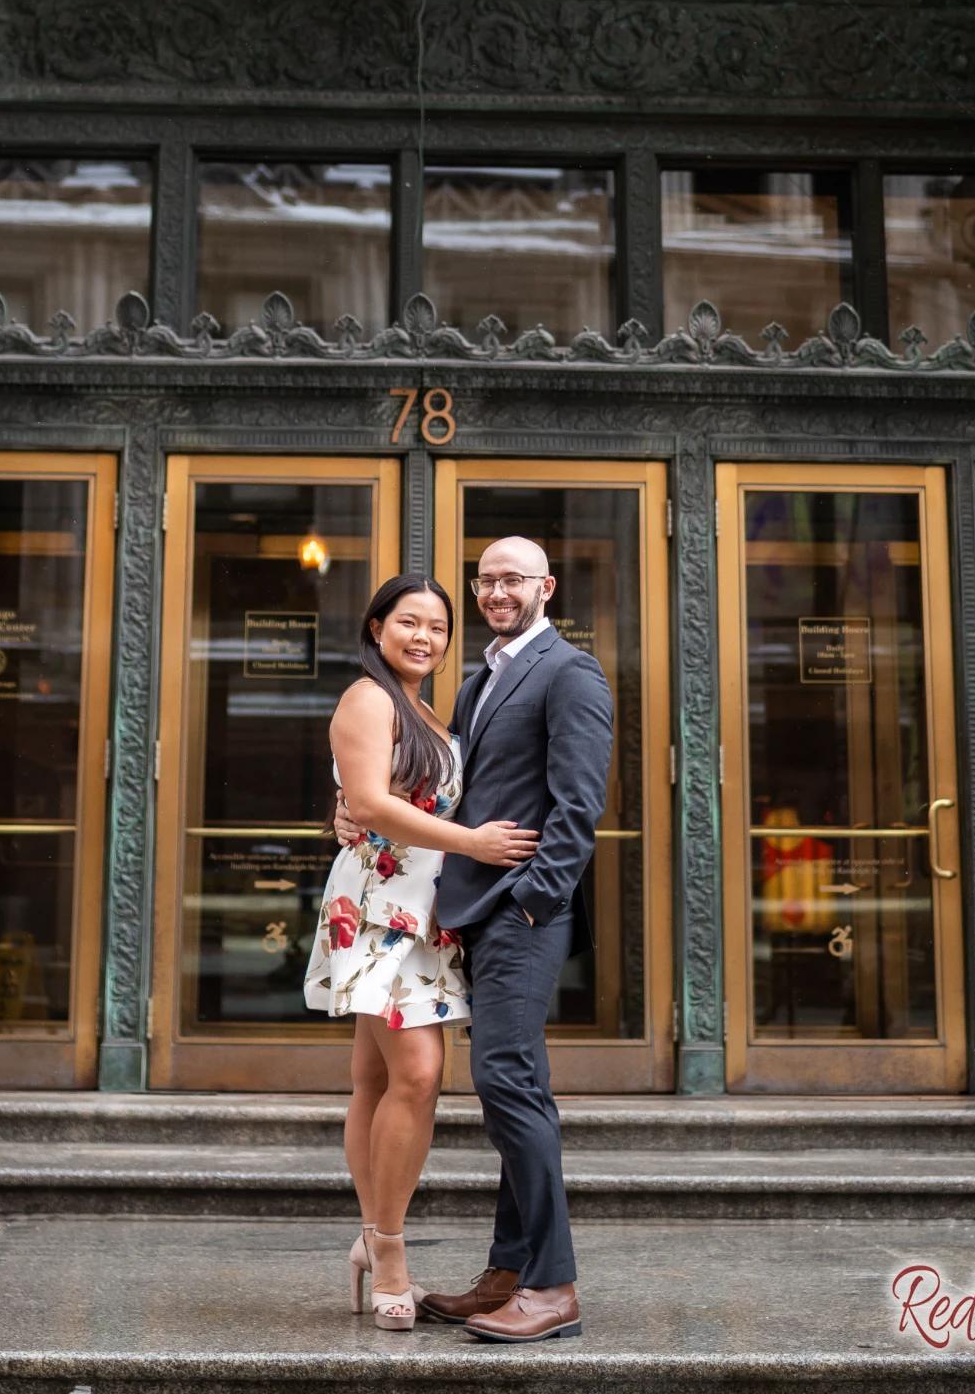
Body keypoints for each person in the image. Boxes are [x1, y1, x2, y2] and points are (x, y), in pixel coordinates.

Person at [336, 534, 613, 1344]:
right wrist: (354, 809)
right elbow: (440, 796)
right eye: (488, 580)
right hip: (468, 910)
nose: (498, 591)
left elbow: (577, 805)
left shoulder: (570, 671)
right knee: (503, 1083)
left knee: (508, 1082)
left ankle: (553, 1283)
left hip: (520, 910)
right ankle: (506, 1272)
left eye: (514, 579)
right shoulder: (481, 680)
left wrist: (530, 902)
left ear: (547, 587)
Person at [304, 571, 539, 1331]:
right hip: (378, 910)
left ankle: (372, 1241)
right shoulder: (368, 697)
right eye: (408, 622)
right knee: (420, 1073)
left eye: (437, 627)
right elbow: (370, 802)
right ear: (377, 628)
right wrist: (471, 840)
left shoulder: (426, 708)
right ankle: (392, 1249)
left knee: (375, 1079)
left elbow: (367, 797)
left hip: (425, 911)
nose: (423, 638)